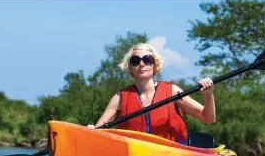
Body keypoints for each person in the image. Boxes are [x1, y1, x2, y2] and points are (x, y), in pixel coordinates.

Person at [87, 43, 216, 145]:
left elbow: (208, 118)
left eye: (147, 60)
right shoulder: (119, 98)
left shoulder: (172, 91)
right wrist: (91, 131)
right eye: (135, 61)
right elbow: (97, 133)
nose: (142, 64)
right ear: (130, 67)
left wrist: (208, 95)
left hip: (173, 154)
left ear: (155, 65)